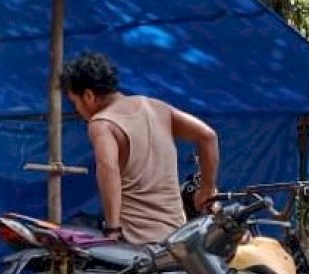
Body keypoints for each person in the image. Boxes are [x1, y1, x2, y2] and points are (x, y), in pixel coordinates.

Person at [61, 52, 220, 245]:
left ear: (88, 95)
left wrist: (112, 229)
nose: (77, 110)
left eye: (75, 102)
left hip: (136, 239)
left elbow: (108, 170)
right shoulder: (156, 107)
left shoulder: (102, 123)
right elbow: (208, 136)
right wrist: (207, 189)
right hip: (177, 233)